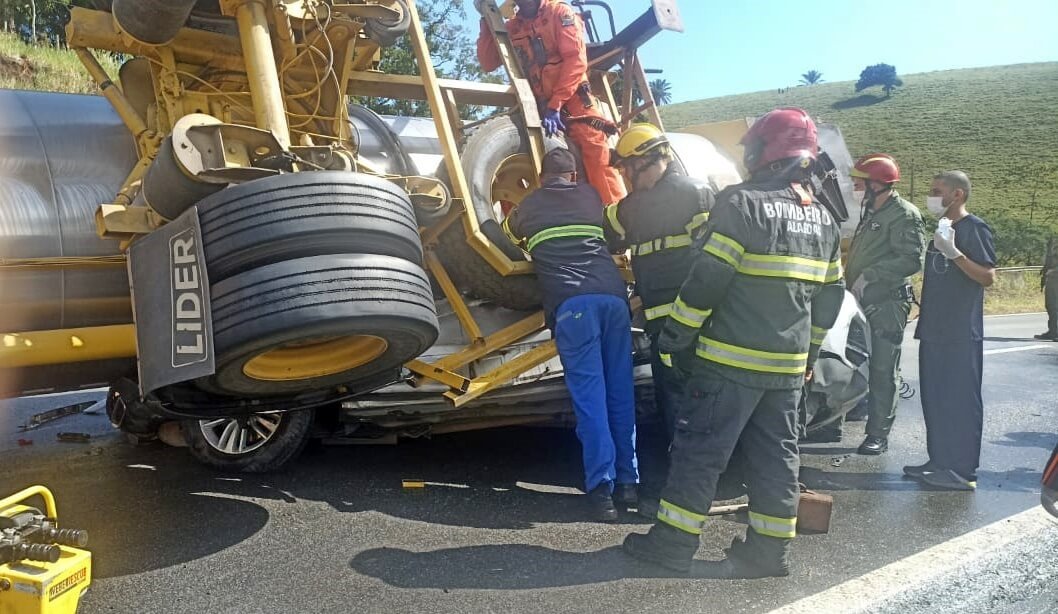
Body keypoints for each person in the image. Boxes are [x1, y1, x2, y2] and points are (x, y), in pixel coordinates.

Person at [621, 108, 845, 577]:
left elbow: (708, 279)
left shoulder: (742, 204)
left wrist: (677, 337)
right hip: (786, 369)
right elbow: (831, 295)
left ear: (764, 151)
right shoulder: (824, 219)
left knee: (700, 452)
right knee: (776, 458)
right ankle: (769, 552)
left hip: (728, 362)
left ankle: (672, 545)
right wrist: (810, 354)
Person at [503, 148, 637, 520]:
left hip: (573, 304)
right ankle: (629, 484)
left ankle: (602, 491)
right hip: (614, 299)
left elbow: (506, 236)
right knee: (620, 395)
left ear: (541, 178)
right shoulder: (591, 196)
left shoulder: (529, 206)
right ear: (574, 176)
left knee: (591, 400)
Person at [602, 123, 714, 515]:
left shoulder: (690, 194)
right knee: (683, 401)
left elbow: (711, 263)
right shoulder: (642, 204)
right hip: (674, 323)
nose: (623, 175)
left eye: (625, 167)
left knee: (684, 403)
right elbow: (605, 229)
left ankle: (685, 489)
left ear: (645, 161)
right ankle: (694, 483)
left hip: (687, 323)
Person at [475, 0, 626, 206]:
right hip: (536, 107)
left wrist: (556, 104)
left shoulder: (559, 13)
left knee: (595, 149)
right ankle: (517, 222)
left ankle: (615, 214)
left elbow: (576, 61)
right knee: (510, 164)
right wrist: (487, 20)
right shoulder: (512, 28)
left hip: (574, 102)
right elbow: (487, 62)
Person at [905, 171, 996, 491]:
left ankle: (962, 470)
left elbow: (987, 276)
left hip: (960, 332)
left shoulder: (974, 228)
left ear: (957, 194)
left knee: (959, 401)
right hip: (934, 329)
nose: (931, 196)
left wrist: (955, 254)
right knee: (935, 399)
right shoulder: (942, 229)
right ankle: (940, 461)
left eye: (936, 191)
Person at [845, 154, 926, 455]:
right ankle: (853, 410)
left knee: (883, 368)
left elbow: (911, 260)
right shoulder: (872, 210)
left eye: (859, 182)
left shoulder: (904, 214)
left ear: (876, 184)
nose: (855, 187)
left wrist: (871, 274)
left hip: (887, 302)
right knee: (855, 360)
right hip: (861, 299)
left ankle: (878, 433)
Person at [1035, 236, 1058, 341]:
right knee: (1050, 305)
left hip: (1055, 275)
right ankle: (1053, 330)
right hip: (1051, 276)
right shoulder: (1053, 238)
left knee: (1055, 305)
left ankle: (1055, 331)